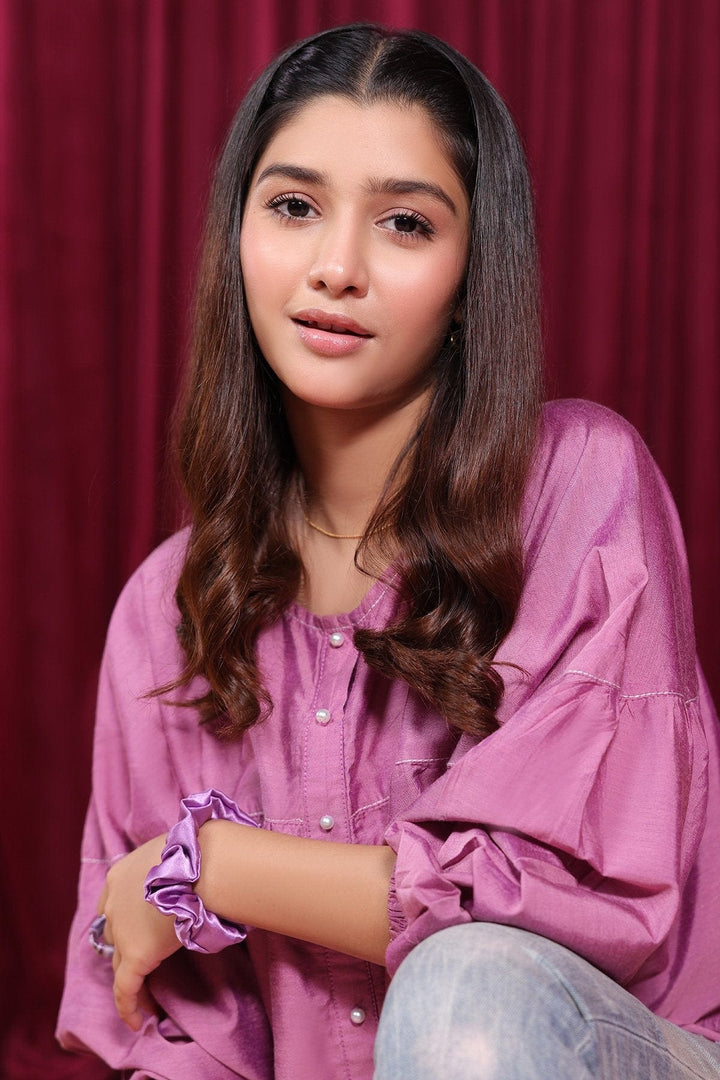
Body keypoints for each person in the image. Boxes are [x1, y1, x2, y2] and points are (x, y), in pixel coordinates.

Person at [57, 22, 720, 1080]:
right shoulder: (166, 608)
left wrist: (212, 865)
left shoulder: (582, 483)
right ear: (236, 238)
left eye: (406, 224)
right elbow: (178, 1036)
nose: (337, 268)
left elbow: (566, 913)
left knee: (466, 991)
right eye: (294, 207)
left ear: (470, 279)